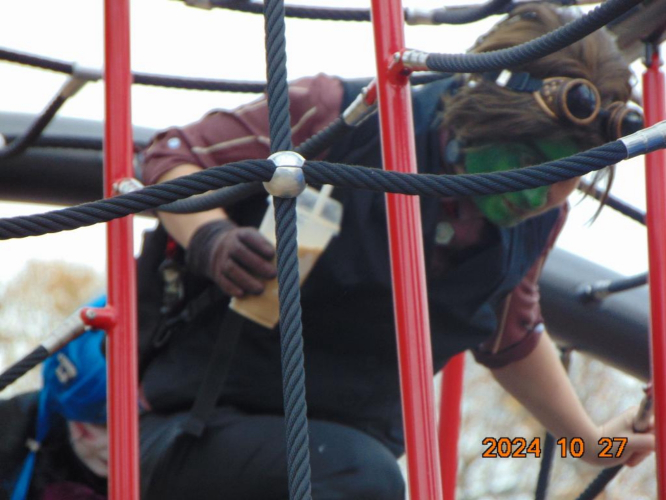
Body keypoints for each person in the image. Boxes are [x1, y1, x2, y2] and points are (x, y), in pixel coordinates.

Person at [136, 4, 654, 499]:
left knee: (368, 474)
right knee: (361, 478)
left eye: (565, 177)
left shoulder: (539, 222)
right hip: (197, 429)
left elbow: (510, 332)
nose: (537, 195)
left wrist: (589, 442)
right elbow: (172, 156)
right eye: (525, 160)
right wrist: (211, 237)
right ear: (483, 115)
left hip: (348, 458)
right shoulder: (335, 116)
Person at [0, 298, 108, 500]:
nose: (114, 444)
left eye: (141, 423)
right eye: (103, 425)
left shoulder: (167, 463)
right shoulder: (13, 430)